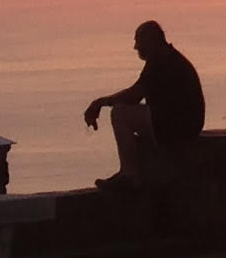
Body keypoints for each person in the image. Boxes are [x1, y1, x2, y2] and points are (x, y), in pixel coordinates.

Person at [83, 20, 206, 189]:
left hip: (178, 127)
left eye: (138, 41)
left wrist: (100, 103)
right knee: (135, 123)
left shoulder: (160, 61)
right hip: (185, 124)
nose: (135, 47)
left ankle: (129, 175)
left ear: (150, 41)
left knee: (120, 114)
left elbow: (134, 95)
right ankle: (133, 172)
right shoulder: (169, 57)